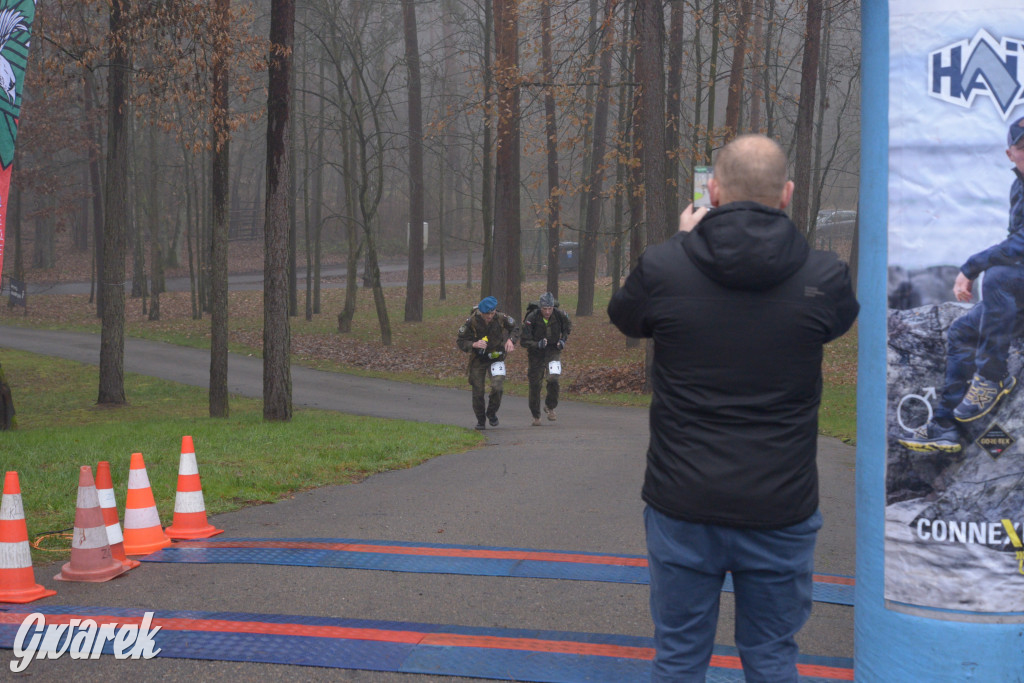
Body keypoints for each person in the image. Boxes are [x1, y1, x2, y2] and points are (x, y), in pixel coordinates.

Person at [607, 134, 859, 682]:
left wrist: (680, 243)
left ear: (713, 192)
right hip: (781, 506)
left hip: (682, 501)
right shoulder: (824, 276)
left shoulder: (664, 267)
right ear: (788, 193)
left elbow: (626, 318)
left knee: (678, 657)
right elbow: (837, 321)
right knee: (772, 658)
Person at [900, 117, 1024, 453]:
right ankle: (944, 426)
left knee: (997, 275)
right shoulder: (1019, 186)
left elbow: (1020, 246)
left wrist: (969, 268)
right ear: (1009, 153)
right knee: (961, 331)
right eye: (1023, 146)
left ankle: (993, 375)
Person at [456, 296, 519, 430]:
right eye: (486, 314)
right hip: (478, 359)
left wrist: (511, 340)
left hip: (496, 357)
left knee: (498, 387)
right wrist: (473, 344)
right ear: (481, 312)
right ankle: (480, 419)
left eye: (492, 313)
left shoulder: (501, 318)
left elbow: (515, 328)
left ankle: (491, 413)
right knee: (478, 391)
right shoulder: (471, 321)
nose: (489, 316)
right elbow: (461, 341)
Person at [520, 292, 572, 425]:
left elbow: (567, 328)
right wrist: (536, 344)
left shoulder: (560, 315)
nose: (547, 312)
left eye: (550, 308)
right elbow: (524, 341)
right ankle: (536, 415)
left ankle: (550, 406)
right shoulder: (532, 317)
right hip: (536, 354)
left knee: (554, 378)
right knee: (535, 384)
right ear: (540, 307)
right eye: (544, 309)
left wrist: (563, 340)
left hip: (553, 351)